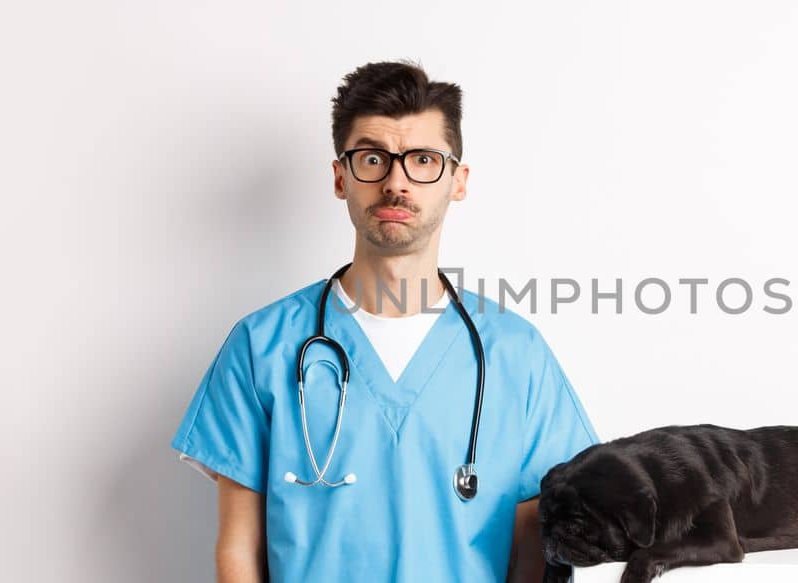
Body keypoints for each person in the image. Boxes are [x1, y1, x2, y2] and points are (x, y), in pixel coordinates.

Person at [170, 60, 600, 582]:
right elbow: (238, 553)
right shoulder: (263, 345)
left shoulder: (516, 354)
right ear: (340, 176)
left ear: (457, 181)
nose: (396, 182)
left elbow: (534, 555)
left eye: (422, 160)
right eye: (373, 158)